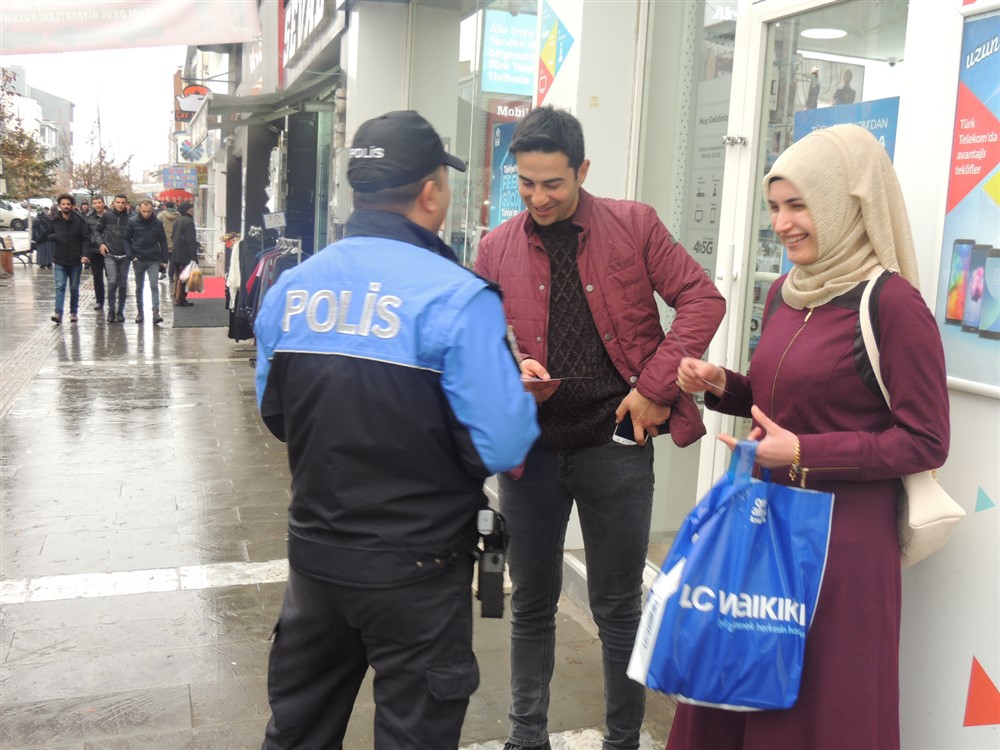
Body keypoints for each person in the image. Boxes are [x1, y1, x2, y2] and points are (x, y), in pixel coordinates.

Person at [254, 109, 540, 749]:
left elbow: (276, 415)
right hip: (418, 571)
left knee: (297, 733)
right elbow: (504, 442)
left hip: (316, 565)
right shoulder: (460, 299)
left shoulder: (293, 289)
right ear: (431, 191)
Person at [671, 124, 949, 750]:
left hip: (845, 550)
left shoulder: (892, 305)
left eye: (799, 205)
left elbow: (926, 440)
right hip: (769, 526)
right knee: (742, 687)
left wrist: (803, 454)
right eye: (775, 206)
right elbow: (782, 401)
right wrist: (721, 384)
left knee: (821, 714)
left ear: (844, 205)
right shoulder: (784, 295)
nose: (784, 223)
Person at [473, 106, 726, 750]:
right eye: (525, 183)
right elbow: (476, 336)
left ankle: (623, 739)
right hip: (530, 448)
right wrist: (510, 362)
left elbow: (703, 298)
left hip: (615, 442)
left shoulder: (633, 225)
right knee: (530, 600)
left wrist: (653, 388)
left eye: (553, 183)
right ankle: (525, 736)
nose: (538, 197)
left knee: (617, 606)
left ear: (583, 170)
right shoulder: (496, 245)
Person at [123, 198, 168, 325]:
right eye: (144, 211)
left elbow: (163, 241)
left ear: (152, 209)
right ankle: (140, 312)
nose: (146, 214)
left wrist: (164, 259)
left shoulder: (157, 223)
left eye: (148, 211)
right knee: (139, 287)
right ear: (139, 209)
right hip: (138, 258)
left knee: (154, 285)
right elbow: (126, 239)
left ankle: (155, 312)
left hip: (153, 258)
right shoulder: (132, 222)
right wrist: (131, 256)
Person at [47, 193, 90, 324]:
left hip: (75, 259)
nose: (65, 206)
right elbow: (48, 235)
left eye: (68, 204)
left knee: (74, 287)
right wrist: (56, 236)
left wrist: (84, 254)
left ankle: (73, 312)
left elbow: (85, 239)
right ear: (60, 205)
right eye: (63, 204)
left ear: (72, 205)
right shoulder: (54, 220)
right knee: (60, 286)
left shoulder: (79, 220)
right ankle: (58, 313)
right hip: (60, 259)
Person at [100, 194, 132, 323]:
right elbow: (97, 231)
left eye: (123, 202)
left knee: (123, 284)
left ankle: (120, 311)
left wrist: (131, 250)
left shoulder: (130, 219)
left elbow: (134, 235)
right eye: (118, 202)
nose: (120, 205)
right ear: (113, 203)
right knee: (112, 281)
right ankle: (111, 310)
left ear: (126, 204)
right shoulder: (107, 216)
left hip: (125, 256)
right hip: (110, 254)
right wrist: (101, 243)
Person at [171, 201, 197, 307]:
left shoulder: (177, 220)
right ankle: (180, 298)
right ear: (188, 210)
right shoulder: (189, 222)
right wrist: (194, 256)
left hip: (177, 252)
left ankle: (178, 297)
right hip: (185, 254)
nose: (193, 210)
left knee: (179, 275)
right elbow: (191, 239)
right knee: (184, 277)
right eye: (191, 208)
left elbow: (173, 236)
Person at [85, 196, 108, 314]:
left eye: (99, 202)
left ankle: (112, 301)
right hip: (95, 251)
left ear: (104, 203)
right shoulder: (89, 219)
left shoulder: (110, 216)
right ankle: (100, 300)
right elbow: (87, 235)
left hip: (109, 251)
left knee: (112, 278)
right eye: (95, 203)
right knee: (97, 277)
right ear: (92, 205)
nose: (98, 205)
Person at [157, 201, 180, 281]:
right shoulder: (178, 215)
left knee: (162, 257)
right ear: (174, 206)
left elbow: (157, 226)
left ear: (165, 206)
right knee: (172, 259)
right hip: (175, 239)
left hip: (163, 239)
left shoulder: (161, 215)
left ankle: (163, 272)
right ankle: (171, 276)